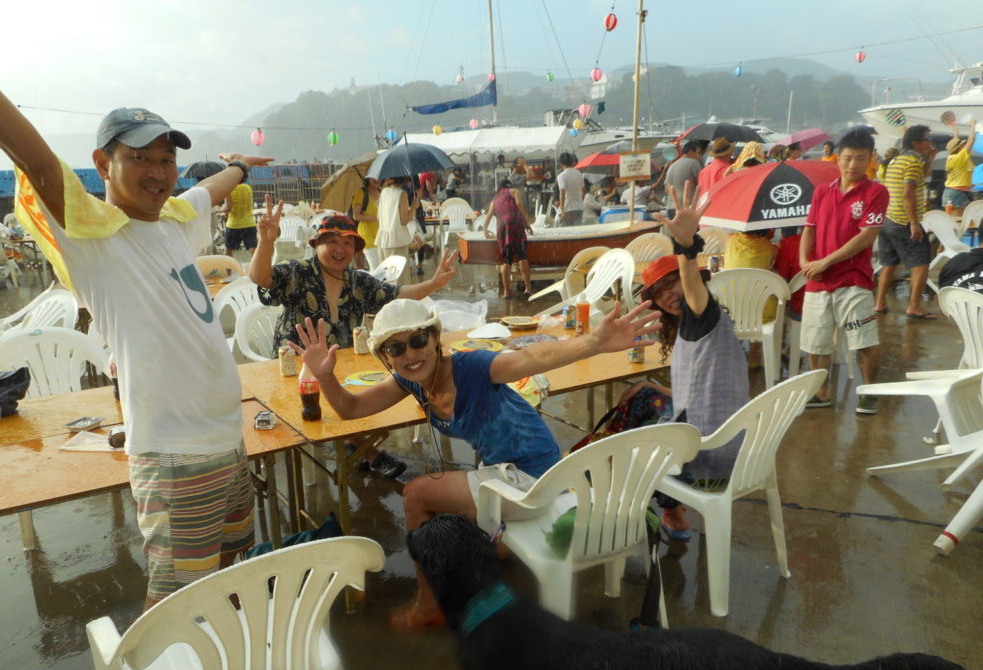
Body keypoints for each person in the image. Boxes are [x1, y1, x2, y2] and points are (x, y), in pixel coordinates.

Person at [0, 40, 265, 670]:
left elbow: (208, 190)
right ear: (103, 166)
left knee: (220, 577)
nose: (158, 172)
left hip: (227, 442)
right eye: (140, 158)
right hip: (178, 456)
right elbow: (32, 155)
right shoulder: (94, 237)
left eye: (166, 158)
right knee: (174, 596)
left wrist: (238, 168)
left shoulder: (174, 224)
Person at [293, 296, 661, 629]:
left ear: (436, 338)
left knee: (418, 495)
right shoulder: (412, 381)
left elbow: (530, 358)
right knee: (449, 510)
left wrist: (594, 342)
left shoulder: (474, 366)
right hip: (509, 475)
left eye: (418, 339)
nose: (410, 353)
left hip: (536, 479)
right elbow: (350, 408)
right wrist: (324, 376)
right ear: (385, 356)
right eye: (396, 347)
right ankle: (487, 566)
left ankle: (428, 605)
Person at [250, 209, 458, 478]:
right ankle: (369, 453)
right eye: (333, 241)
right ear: (317, 244)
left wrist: (433, 283)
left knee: (367, 392)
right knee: (326, 403)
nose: (340, 249)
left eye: (347, 243)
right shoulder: (298, 273)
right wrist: (266, 242)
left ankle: (355, 445)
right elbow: (261, 278)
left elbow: (397, 295)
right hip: (299, 366)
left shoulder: (357, 280)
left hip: (342, 363)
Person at [632, 182, 750, 539]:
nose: (668, 295)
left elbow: (691, 285)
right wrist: (654, 386)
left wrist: (687, 245)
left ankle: (660, 514)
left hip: (708, 456)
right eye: (658, 292)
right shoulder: (692, 327)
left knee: (628, 443)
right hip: (726, 437)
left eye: (673, 283)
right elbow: (698, 389)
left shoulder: (703, 313)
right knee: (642, 397)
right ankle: (673, 513)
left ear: (694, 279)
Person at [799, 126, 889, 414]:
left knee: (864, 341)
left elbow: (867, 235)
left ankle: (868, 391)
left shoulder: (876, 191)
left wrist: (825, 262)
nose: (853, 165)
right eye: (848, 158)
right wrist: (804, 262)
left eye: (861, 158)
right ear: (838, 157)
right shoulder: (822, 192)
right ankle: (822, 392)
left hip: (854, 280)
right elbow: (809, 229)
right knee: (816, 342)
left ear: (871, 158)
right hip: (818, 280)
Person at [875, 125, 938, 319]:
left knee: (889, 263)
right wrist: (913, 223)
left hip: (887, 219)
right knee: (921, 261)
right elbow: (908, 194)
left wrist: (929, 160)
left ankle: (880, 303)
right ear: (916, 143)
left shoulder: (896, 160)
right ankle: (914, 306)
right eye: (927, 139)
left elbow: (920, 178)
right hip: (903, 220)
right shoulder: (912, 162)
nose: (930, 142)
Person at [482, 179, 533, 298]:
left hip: (502, 229)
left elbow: (488, 216)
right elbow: (519, 205)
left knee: (506, 260)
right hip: (515, 224)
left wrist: (485, 230)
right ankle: (528, 289)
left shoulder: (495, 199)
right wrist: (527, 220)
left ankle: (506, 292)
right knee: (522, 256)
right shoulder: (514, 191)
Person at [943, 119, 978, 216]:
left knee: (960, 223)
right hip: (957, 193)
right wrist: (973, 126)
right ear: (959, 148)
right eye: (962, 145)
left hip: (956, 192)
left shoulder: (955, 157)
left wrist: (956, 131)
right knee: (957, 223)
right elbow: (971, 141)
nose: (964, 146)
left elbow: (955, 144)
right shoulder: (958, 158)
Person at [375, 176, 416, 258]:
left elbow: (378, 217)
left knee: (385, 270)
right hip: (397, 242)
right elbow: (404, 221)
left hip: (382, 240)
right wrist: (414, 207)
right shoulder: (401, 193)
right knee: (400, 270)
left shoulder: (383, 192)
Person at [665, 141, 704, 217]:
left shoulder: (672, 165)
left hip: (670, 207)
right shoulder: (694, 163)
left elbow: (666, 190)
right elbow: (701, 184)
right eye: (697, 153)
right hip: (686, 207)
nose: (699, 156)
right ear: (690, 152)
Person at [350, 175, 380, 269]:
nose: (376, 179)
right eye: (373, 177)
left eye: (378, 176)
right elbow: (356, 215)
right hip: (367, 236)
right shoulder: (362, 193)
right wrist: (376, 218)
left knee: (383, 269)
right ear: (367, 179)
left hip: (381, 236)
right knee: (376, 268)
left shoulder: (381, 192)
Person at [223, 180, 257, 257]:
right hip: (249, 223)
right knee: (254, 250)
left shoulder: (229, 189)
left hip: (233, 225)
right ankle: (258, 268)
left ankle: (228, 269)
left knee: (229, 251)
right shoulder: (248, 188)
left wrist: (223, 210)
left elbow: (228, 208)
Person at [556, 151, 585, 226]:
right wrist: (581, 201)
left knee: (564, 232)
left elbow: (562, 194)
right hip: (579, 207)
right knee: (578, 232)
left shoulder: (561, 176)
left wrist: (562, 210)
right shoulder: (578, 173)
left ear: (561, 163)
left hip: (567, 208)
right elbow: (583, 189)